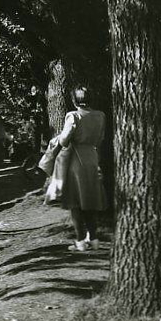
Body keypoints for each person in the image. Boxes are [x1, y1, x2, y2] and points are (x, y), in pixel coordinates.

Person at [54, 87, 108, 252]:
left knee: (75, 202)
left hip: (76, 160)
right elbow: (100, 138)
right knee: (90, 200)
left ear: (74, 100)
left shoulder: (73, 116)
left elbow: (64, 140)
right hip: (92, 157)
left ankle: (80, 241)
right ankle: (94, 239)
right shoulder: (100, 116)